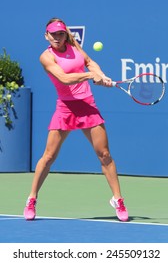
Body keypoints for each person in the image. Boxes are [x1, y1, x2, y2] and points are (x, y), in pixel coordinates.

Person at [24, 17, 128, 222]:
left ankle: (118, 199)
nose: (57, 37)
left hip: (87, 104)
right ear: (46, 35)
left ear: (65, 35)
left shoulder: (74, 46)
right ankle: (32, 198)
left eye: (60, 33)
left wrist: (101, 74)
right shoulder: (46, 57)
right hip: (66, 107)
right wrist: (90, 76)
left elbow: (90, 62)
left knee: (105, 154)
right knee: (49, 156)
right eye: (53, 34)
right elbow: (64, 78)